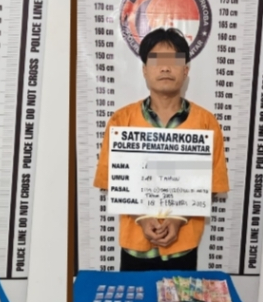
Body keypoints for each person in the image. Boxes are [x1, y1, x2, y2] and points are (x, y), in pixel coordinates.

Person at [94, 28, 229, 271]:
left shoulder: (206, 123)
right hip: (135, 246)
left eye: (174, 61)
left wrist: (179, 218)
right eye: (156, 61)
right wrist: (142, 217)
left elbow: (211, 184)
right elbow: (111, 181)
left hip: (183, 247)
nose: (165, 68)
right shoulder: (121, 121)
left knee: (180, 297)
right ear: (145, 70)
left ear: (185, 70)